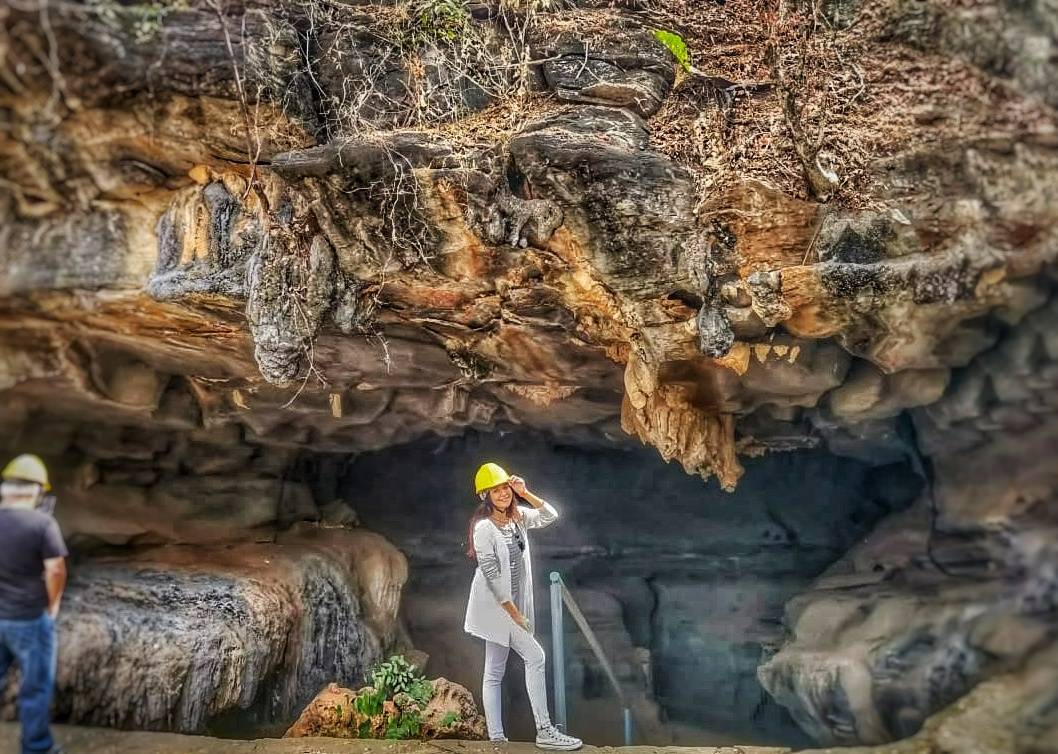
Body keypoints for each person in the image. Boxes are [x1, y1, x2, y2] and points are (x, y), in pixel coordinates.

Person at [464, 462, 582, 751]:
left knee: (493, 670)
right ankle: (544, 730)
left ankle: (496, 739)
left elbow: (550, 515)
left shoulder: (517, 519)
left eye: (505, 487)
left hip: (512, 605)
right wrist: (515, 614)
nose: (502, 493)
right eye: (495, 490)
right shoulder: (483, 528)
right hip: (497, 607)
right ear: (485, 496)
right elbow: (491, 576)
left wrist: (525, 492)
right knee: (536, 657)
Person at [0, 454, 67, 754]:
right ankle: (36, 747)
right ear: (38, 491)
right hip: (29, 619)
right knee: (36, 687)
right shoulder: (43, 523)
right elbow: (55, 569)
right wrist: (52, 605)